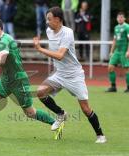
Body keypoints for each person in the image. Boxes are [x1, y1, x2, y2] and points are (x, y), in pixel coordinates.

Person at [0, 17, 64, 139]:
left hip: (18, 82)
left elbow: (2, 60)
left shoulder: (5, 40)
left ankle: (56, 124)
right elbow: (5, 59)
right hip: (6, 80)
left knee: (30, 113)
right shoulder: (2, 40)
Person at [33, 6, 106, 143]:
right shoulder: (49, 31)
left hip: (74, 75)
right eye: (46, 19)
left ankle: (100, 135)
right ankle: (61, 114)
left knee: (85, 109)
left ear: (58, 19)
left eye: (49, 19)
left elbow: (60, 55)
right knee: (40, 92)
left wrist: (40, 49)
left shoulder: (68, 32)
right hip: (60, 74)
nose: (47, 22)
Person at [106, 12, 129, 93]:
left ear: (124, 18)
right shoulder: (116, 27)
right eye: (118, 17)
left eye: (121, 17)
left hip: (124, 51)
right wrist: (111, 51)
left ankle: (128, 87)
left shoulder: (127, 27)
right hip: (117, 51)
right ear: (116, 19)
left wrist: (128, 51)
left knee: (126, 69)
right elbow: (115, 40)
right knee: (110, 67)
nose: (120, 18)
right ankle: (113, 87)